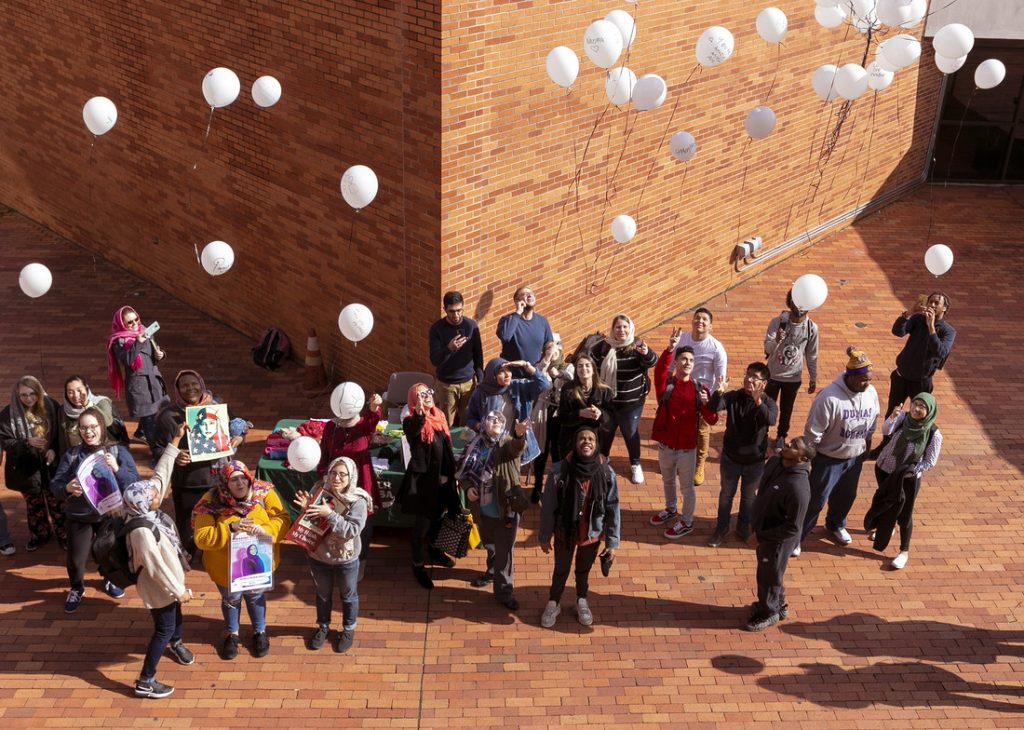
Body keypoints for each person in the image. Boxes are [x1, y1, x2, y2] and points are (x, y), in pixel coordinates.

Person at [123, 422, 195, 699]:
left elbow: (161, 475)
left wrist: (175, 440)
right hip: (159, 587)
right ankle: (145, 680)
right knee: (162, 628)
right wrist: (178, 591)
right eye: (153, 495)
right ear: (143, 503)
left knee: (175, 617)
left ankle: (177, 643)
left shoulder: (144, 509)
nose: (158, 492)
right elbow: (155, 567)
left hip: (170, 584)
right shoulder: (141, 530)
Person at [192, 460, 290, 660]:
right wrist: (229, 528)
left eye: (243, 478)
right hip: (225, 568)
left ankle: (259, 632)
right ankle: (232, 634)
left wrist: (266, 530)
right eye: (233, 480)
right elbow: (201, 539)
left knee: (255, 596)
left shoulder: (264, 493)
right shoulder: (210, 502)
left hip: (257, 565)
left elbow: (283, 518)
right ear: (224, 483)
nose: (240, 484)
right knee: (231, 599)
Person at [51, 407, 139, 612]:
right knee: (76, 558)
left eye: (92, 426)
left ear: (101, 426)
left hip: (110, 514)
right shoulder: (72, 455)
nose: (88, 432)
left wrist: (117, 469)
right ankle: (76, 587)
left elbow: (134, 482)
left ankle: (111, 579)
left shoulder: (118, 451)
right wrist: (67, 488)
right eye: (83, 427)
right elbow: (56, 484)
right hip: (80, 515)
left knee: (109, 552)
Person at [153, 370, 247, 559]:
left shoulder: (217, 407)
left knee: (220, 518)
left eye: (194, 383)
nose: (191, 388)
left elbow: (238, 428)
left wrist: (239, 438)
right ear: (177, 390)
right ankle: (190, 552)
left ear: (201, 384)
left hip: (220, 478)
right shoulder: (168, 416)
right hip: (188, 482)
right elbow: (156, 448)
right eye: (185, 385)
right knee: (188, 524)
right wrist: (174, 455)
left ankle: (215, 553)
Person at [797, 347, 880, 555]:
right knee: (815, 499)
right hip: (827, 459)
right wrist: (808, 462)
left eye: (869, 379)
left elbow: (871, 428)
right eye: (863, 380)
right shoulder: (829, 398)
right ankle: (797, 537)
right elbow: (812, 435)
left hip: (854, 458)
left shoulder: (870, 393)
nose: (867, 383)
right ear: (850, 377)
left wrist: (864, 454)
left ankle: (835, 525)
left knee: (846, 496)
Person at [538, 426, 620, 628]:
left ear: (596, 444)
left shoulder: (606, 472)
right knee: (561, 569)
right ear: (575, 444)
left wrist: (612, 543)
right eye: (582, 438)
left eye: (591, 439)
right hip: (564, 531)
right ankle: (554, 602)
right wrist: (544, 535)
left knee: (583, 570)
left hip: (591, 533)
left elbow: (613, 508)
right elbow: (548, 506)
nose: (586, 442)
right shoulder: (560, 470)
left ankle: (581, 600)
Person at [293, 456, 371, 653]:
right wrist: (305, 510)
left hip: (346, 558)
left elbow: (351, 531)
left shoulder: (358, 501)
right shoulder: (319, 489)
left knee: (348, 595)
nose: (336, 478)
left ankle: (348, 629)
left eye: (342, 474)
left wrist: (329, 514)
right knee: (323, 594)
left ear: (351, 477)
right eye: (333, 473)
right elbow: (310, 522)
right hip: (319, 556)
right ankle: (323, 626)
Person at [460, 411, 529, 610]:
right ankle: (492, 573)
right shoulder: (473, 445)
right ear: (482, 423)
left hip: (506, 509)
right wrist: (467, 487)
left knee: (504, 552)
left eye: (500, 419)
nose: (496, 421)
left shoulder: (506, 444)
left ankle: (504, 592)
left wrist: (519, 435)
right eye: (491, 418)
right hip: (483, 510)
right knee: (490, 544)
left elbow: (517, 448)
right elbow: (463, 471)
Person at [864, 394, 942, 571]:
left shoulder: (934, 433)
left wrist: (909, 471)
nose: (916, 409)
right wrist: (892, 417)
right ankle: (886, 528)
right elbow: (886, 431)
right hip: (884, 468)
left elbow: (930, 461)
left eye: (922, 407)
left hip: (907, 479)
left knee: (905, 514)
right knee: (886, 502)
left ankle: (903, 551)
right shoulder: (903, 417)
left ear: (929, 411)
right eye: (915, 404)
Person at [650, 341, 718, 539]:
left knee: (687, 488)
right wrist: (669, 349)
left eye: (690, 360)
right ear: (677, 363)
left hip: (688, 449)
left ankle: (687, 521)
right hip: (666, 447)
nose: (687, 363)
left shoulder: (700, 388)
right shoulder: (667, 386)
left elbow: (712, 419)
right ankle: (671, 509)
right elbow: (659, 371)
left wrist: (707, 404)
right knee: (668, 481)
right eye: (684, 359)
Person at [745, 436, 813, 632]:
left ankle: (768, 612)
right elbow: (764, 493)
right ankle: (778, 604)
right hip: (763, 529)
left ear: (802, 459)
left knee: (769, 575)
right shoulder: (775, 462)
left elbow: (792, 527)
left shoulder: (799, 488)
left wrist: (760, 537)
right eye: (791, 442)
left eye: (794, 447)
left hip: (777, 541)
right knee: (772, 572)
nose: (788, 445)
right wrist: (754, 522)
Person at [398, 384, 463, 590]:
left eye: (428, 393)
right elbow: (413, 431)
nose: (427, 397)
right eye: (421, 395)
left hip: (444, 482)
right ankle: (418, 565)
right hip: (426, 485)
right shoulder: (411, 421)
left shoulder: (440, 416)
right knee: (421, 527)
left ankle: (434, 550)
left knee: (439, 518)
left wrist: (452, 476)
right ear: (413, 400)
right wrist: (418, 413)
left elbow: (446, 448)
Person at [707, 362, 778, 547]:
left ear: (764, 382)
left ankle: (743, 527)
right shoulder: (733, 397)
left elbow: (770, 420)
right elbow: (713, 408)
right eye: (747, 374)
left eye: (754, 377)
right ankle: (721, 528)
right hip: (731, 459)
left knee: (748, 498)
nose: (749, 379)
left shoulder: (768, 402)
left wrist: (757, 401)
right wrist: (719, 393)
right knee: (726, 496)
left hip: (755, 462)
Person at [317, 389, 383, 581]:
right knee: (334, 519)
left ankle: (360, 561)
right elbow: (324, 455)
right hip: (335, 483)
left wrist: (374, 407)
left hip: (360, 483)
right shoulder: (331, 427)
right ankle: (335, 557)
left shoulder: (363, 426)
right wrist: (324, 476)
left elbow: (372, 422)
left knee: (363, 524)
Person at [590, 314, 658, 484]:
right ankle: (603, 458)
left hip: (631, 403)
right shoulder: (603, 347)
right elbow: (593, 368)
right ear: (612, 329)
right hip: (608, 402)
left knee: (630, 432)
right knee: (606, 431)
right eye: (618, 327)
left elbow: (652, 361)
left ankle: (635, 463)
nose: (622, 330)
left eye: (625, 327)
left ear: (630, 329)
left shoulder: (637, 346)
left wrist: (646, 352)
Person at [0, 376, 65, 552]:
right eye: (23, 395)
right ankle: (40, 535)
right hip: (26, 468)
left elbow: (61, 434)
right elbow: (6, 442)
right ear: (17, 395)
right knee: (34, 505)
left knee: (57, 502)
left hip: (50, 465)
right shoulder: (8, 415)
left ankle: (64, 535)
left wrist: (53, 449)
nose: (28, 398)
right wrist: (26, 442)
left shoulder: (52, 406)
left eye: (32, 394)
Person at [465, 355, 552, 467]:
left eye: (509, 370)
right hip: (490, 446)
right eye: (502, 371)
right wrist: (479, 425)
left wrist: (527, 366)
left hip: (514, 443)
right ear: (493, 375)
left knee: (510, 479)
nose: (507, 374)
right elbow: (469, 417)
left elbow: (544, 384)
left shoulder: (518, 387)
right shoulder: (481, 393)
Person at [673, 308, 728, 486]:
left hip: (703, 395)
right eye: (697, 318)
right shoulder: (683, 339)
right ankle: (679, 462)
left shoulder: (716, 348)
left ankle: (699, 464)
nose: (700, 322)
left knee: (702, 431)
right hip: (682, 391)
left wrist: (712, 399)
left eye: (704, 319)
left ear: (710, 326)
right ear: (692, 321)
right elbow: (671, 363)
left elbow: (720, 378)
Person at [106, 305, 168, 454]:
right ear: (122, 324)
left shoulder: (146, 331)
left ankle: (140, 432)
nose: (135, 324)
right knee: (150, 419)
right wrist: (138, 342)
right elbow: (128, 360)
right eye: (130, 322)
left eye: (136, 320)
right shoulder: (118, 342)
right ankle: (156, 453)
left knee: (155, 412)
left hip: (154, 379)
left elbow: (153, 356)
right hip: (139, 385)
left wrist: (161, 355)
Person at [763, 290, 818, 451]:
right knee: (767, 406)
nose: (798, 307)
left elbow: (812, 354)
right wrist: (777, 341)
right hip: (773, 374)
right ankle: (762, 434)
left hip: (793, 377)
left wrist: (813, 377)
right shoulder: (777, 322)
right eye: (795, 302)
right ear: (790, 302)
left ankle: (781, 436)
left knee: (787, 409)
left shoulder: (811, 328)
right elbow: (767, 348)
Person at [886, 292, 955, 416]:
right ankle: (888, 436)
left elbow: (940, 352)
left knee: (919, 416)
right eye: (930, 301)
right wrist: (910, 312)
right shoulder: (918, 319)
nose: (932, 305)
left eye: (936, 303)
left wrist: (931, 328)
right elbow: (897, 331)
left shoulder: (948, 331)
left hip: (921, 382)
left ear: (944, 308)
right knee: (892, 413)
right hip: (901, 376)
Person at [428, 291, 484, 426]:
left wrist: (480, 378)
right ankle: (449, 447)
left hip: (468, 383)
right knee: (447, 423)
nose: (456, 315)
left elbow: (478, 354)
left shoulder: (471, 326)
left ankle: (467, 447)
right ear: (445, 310)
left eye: (459, 310)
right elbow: (434, 360)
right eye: (452, 311)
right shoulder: (437, 329)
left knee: (469, 422)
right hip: (447, 385)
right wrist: (449, 349)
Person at [530, 333, 573, 494]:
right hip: (542, 413)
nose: (552, 350)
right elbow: (537, 376)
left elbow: (573, 376)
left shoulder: (567, 366)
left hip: (560, 415)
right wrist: (546, 360)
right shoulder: (541, 365)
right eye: (549, 348)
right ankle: (537, 485)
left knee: (557, 450)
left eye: (555, 348)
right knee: (541, 450)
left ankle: (556, 483)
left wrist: (559, 374)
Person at [556, 352, 613, 461]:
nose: (584, 369)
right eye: (580, 366)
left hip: (595, 438)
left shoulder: (604, 390)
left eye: (587, 365)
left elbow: (610, 416)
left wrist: (600, 413)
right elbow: (562, 418)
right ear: (576, 370)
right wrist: (579, 413)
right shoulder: (568, 389)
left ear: (593, 370)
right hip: (571, 438)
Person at [58, 376, 124, 458]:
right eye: (70, 392)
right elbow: (62, 440)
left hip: (103, 455)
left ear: (86, 389)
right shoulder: (63, 411)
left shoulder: (101, 403)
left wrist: (87, 405)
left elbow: (107, 422)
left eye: (79, 390)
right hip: (77, 457)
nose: (76, 395)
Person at [496, 285, 554, 376]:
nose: (529, 295)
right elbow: (505, 336)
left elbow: (549, 344)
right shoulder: (507, 320)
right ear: (516, 301)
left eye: (531, 294)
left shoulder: (542, 321)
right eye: (524, 294)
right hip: (513, 378)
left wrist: (551, 352)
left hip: (535, 375)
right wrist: (518, 312)